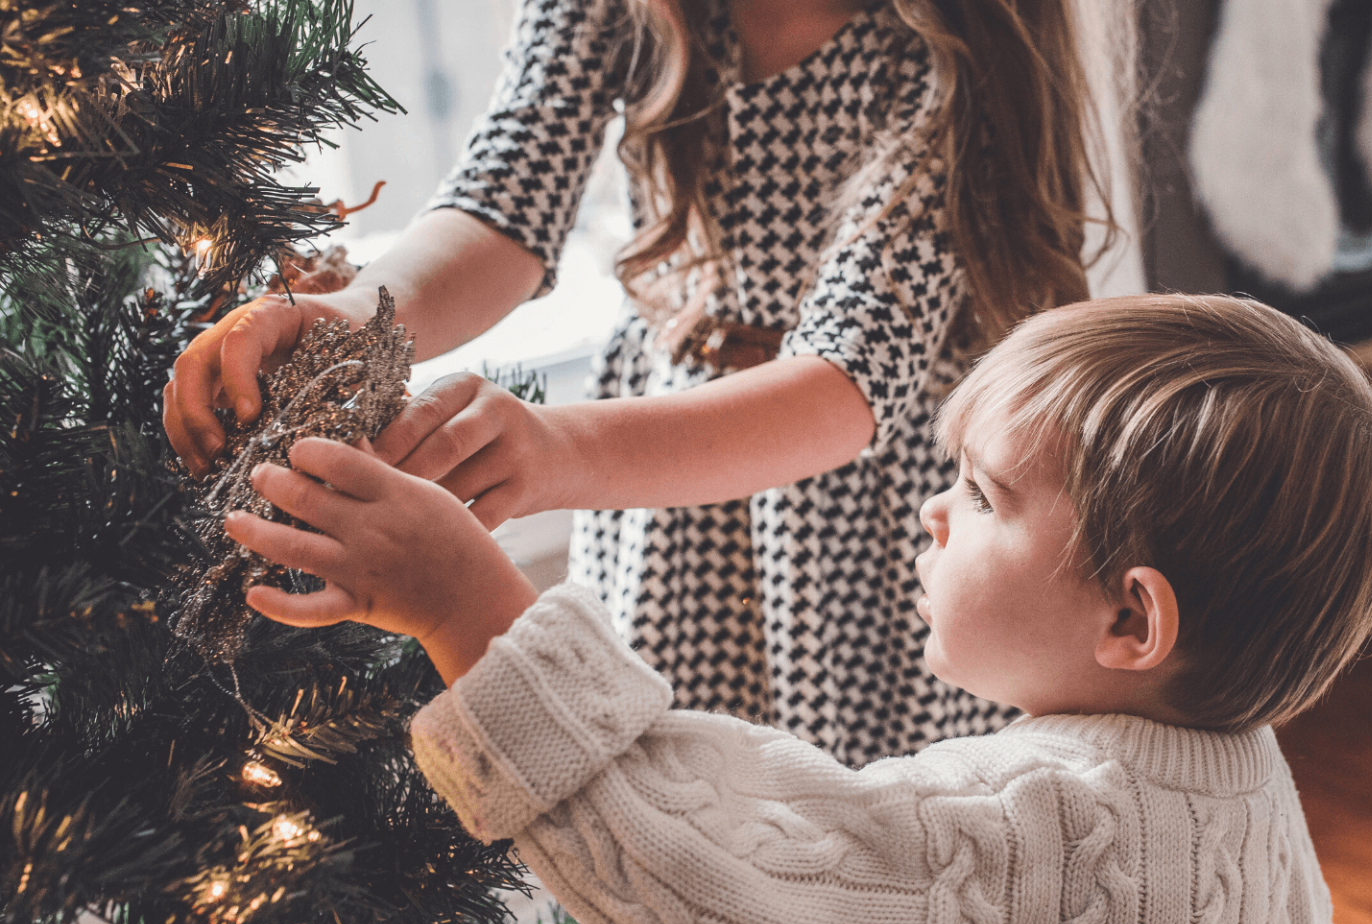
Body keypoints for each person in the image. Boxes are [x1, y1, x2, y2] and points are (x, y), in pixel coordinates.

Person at [224, 293, 1372, 924]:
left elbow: (715, 881)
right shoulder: (1245, 784)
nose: (933, 509)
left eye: (985, 495)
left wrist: (465, 604)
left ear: (1130, 616)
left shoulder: (1039, 827)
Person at [163, 0, 1112, 765]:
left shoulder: (953, 44)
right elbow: (502, 205)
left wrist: (554, 448)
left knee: (844, 845)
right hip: (667, 496)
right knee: (674, 824)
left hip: (864, 513)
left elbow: (843, 383)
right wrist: (354, 316)